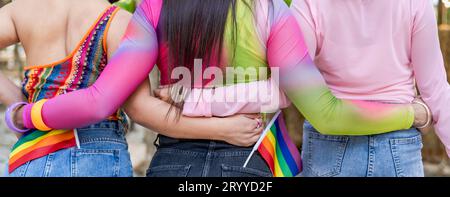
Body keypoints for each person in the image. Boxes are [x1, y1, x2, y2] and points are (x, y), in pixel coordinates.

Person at [7, 0, 429, 177]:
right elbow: (327, 114)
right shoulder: (270, 11)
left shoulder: (153, 8)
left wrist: (23, 113)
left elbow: (131, 105)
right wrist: (413, 113)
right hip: (250, 164)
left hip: (174, 163)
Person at [0, 0, 262, 177]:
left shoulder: (21, 9)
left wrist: (20, 105)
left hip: (31, 151)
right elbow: (136, 106)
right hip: (98, 149)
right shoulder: (119, 22)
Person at [286, 0, 449, 176]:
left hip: (331, 140)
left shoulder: (308, 3)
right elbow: (436, 88)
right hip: (398, 143)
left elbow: (294, 81)